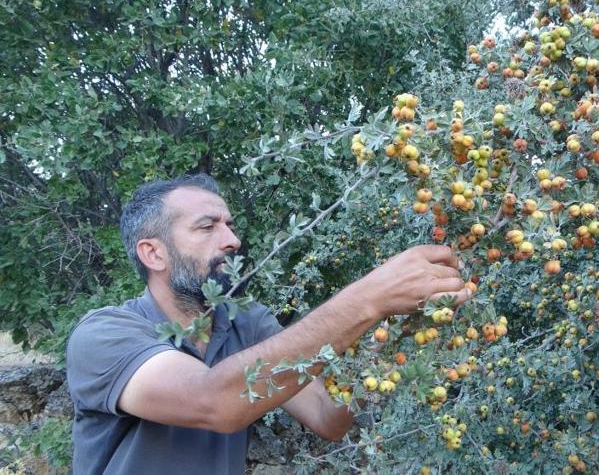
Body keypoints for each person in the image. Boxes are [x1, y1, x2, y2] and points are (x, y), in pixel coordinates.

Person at [66, 174, 470, 474]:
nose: (232, 240)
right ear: (153, 254)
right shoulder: (104, 335)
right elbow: (214, 401)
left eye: (229, 225)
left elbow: (328, 416)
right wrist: (370, 296)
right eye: (207, 227)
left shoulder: (247, 323)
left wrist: (393, 329)